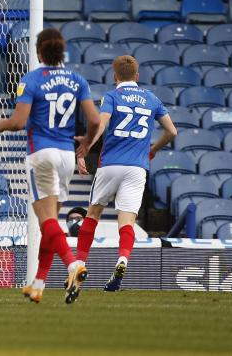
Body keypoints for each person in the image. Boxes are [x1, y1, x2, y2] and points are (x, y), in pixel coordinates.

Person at [0, 27, 99, 305]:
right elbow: (96, 119)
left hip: (42, 154)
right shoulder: (78, 80)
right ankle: (38, 284)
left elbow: (18, 122)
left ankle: (73, 264)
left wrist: (0, 125)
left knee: (48, 221)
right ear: (61, 51)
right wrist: (87, 141)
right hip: (66, 156)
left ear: (39, 51)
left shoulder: (31, 80)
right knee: (47, 225)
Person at [74, 55, 177, 292]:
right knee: (127, 221)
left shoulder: (112, 96)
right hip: (137, 167)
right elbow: (172, 131)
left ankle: (79, 264)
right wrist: (154, 149)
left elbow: (102, 123)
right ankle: (122, 259)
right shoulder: (151, 98)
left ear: (115, 76)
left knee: (93, 214)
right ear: (137, 76)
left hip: (110, 164)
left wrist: (87, 145)